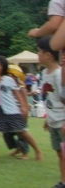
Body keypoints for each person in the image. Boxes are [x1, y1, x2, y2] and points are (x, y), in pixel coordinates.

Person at [0, 55, 42, 162]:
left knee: (22, 131)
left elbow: (17, 93)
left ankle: (38, 151)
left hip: (11, 111)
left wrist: (24, 107)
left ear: (3, 67)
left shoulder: (8, 80)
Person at [37, 36, 65, 188]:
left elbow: (63, 98)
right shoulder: (44, 74)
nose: (37, 54)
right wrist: (48, 118)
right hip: (54, 121)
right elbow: (50, 98)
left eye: (39, 51)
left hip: (62, 121)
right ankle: (63, 180)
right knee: (60, 153)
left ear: (48, 55)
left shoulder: (59, 74)